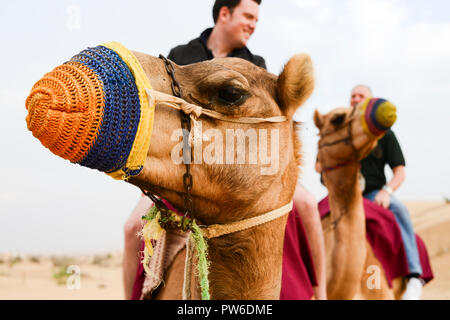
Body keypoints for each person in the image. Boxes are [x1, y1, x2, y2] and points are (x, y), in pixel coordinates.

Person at [123, 0, 326, 300]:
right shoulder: (182, 58)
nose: (253, 24)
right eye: (248, 16)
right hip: (185, 164)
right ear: (224, 13)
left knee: (307, 205)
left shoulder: (256, 64)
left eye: (256, 18)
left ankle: (320, 292)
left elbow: (273, 127)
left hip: (244, 173)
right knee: (131, 229)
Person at [350, 84, 423, 300]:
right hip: (343, 196)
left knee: (398, 209)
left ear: (371, 103)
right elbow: (321, 168)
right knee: (309, 219)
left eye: (360, 95)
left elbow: (400, 171)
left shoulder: (385, 134)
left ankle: (414, 276)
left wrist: (387, 191)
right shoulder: (339, 131)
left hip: (373, 194)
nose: (355, 99)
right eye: (352, 95)